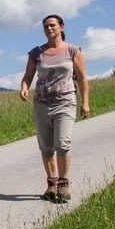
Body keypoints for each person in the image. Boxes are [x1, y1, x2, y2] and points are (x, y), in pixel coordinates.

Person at [19, 14, 90, 203]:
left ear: (61, 27)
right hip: (41, 104)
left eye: (52, 25)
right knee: (46, 148)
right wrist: (24, 87)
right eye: (46, 26)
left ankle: (64, 184)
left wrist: (85, 102)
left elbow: (82, 78)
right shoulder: (36, 53)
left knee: (62, 144)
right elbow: (28, 76)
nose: (49, 29)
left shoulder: (72, 51)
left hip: (65, 102)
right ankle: (52, 184)